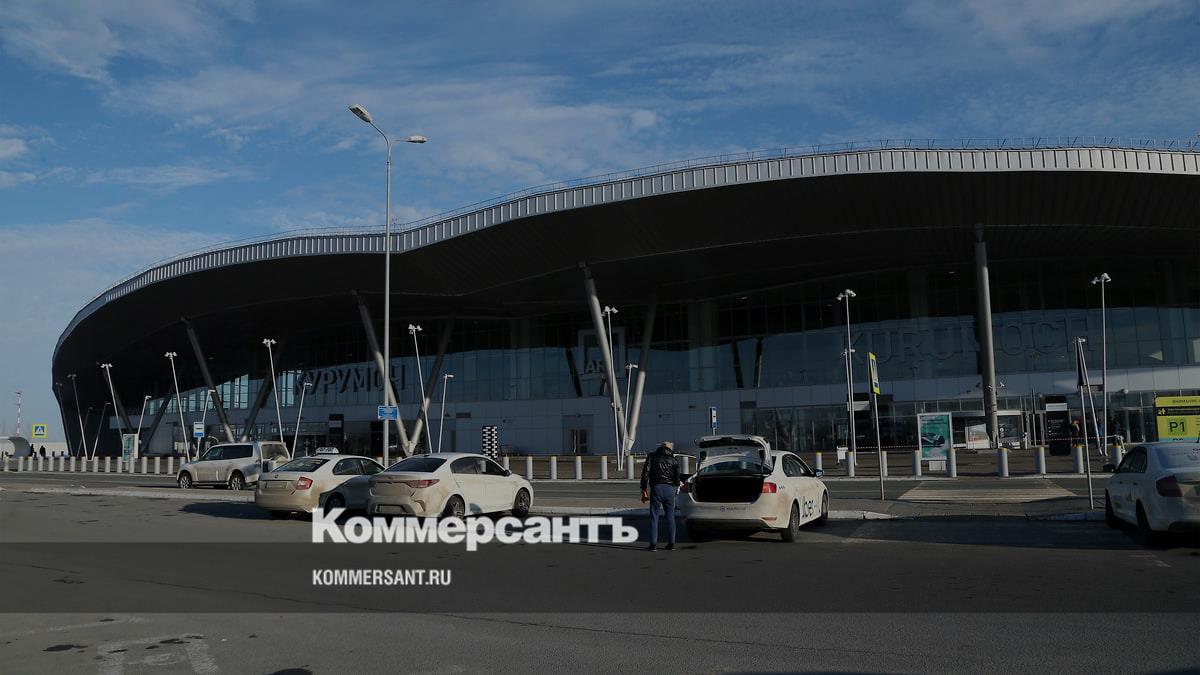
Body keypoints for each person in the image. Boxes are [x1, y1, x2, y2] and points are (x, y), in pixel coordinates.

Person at [640, 441, 682, 551]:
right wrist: (674, 487)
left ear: (660, 447)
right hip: (670, 489)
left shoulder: (652, 457)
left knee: (654, 517)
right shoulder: (673, 459)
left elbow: (645, 473)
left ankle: (653, 544)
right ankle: (671, 543)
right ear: (670, 448)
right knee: (670, 517)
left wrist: (643, 489)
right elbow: (677, 478)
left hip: (657, 488)